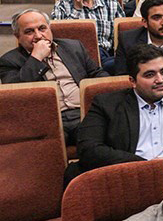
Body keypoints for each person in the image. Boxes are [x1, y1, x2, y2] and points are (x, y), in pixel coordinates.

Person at [77, 43, 163, 171]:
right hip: (128, 175)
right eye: (150, 75)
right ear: (133, 81)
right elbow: (88, 149)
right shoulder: (106, 104)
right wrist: (145, 166)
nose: (160, 80)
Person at [0, 9, 107, 143]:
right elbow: (16, 96)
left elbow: (96, 73)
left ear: (49, 28)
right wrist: (36, 58)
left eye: (42, 28)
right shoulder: (9, 61)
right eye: (29, 32)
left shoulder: (73, 47)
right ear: (18, 37)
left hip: (84, 112)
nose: (38, 36)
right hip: (49, 120)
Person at [52, 0, 125, 71]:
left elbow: (122, 33)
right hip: (75, 57)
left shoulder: (110, 1)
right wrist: (76, 8)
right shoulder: (61, 5)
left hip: (105, 54)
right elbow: (61, 39)